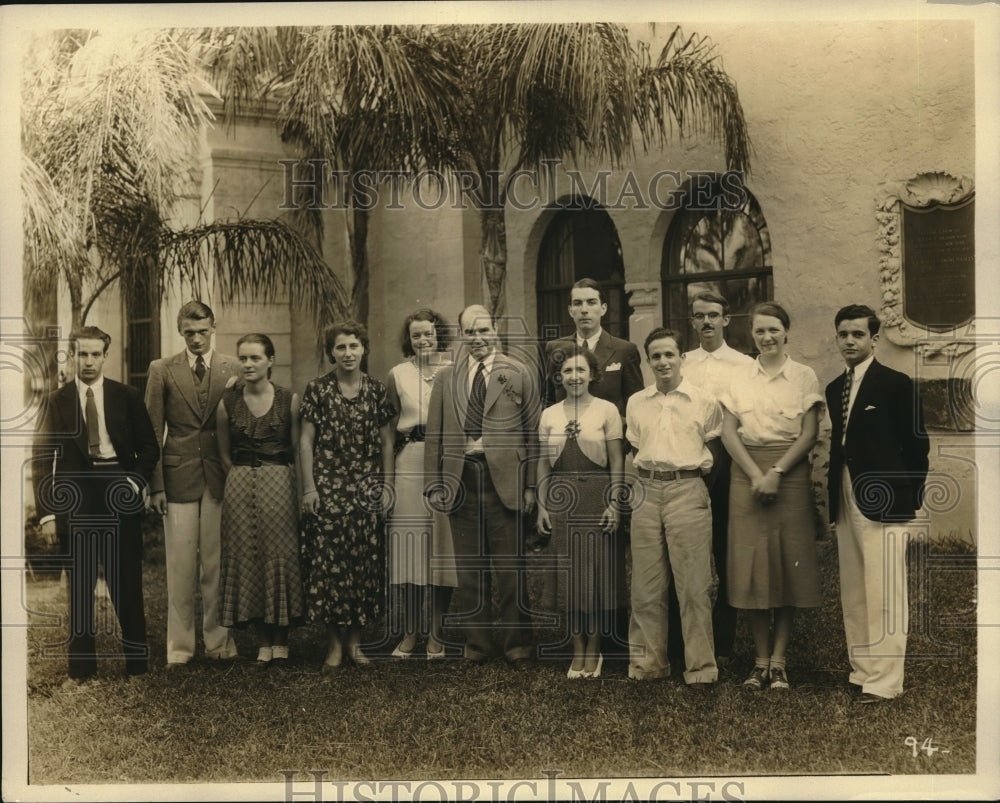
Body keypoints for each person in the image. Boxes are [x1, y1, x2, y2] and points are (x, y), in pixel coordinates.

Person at [33, 326, 159, 686]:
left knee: (127, 582)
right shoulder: (57, 401)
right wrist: (47, 512)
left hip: (118, 492)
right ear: (72, 355)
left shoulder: (126, 396)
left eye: (94, 354)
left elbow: (149, 449)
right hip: (76, 499)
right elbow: (42, 457)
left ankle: (137, 666)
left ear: (106, 356)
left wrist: (134, 482)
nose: (88, 361)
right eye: (81, 354)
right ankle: (82, 671)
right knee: (81, 584)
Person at [424, 304, 540, 666]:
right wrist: (433, 483)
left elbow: (532, 433)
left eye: (483, 330)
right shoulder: (447, 378)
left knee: (510, 570)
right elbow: (434, 436)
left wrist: (531, 486)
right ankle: (477, 644)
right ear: (461, 336)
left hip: (504, 481)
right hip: (462, 480)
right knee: (470, 569)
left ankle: (517, 644)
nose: (477, 338)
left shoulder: (518, 372)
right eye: (469, 332)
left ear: (495, 330)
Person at [825, 304, 928, 704]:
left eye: (857, 334)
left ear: (874, 338)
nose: (849, 341)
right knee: (854, 587)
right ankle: (863, 670)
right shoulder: (836, 388)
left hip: (886, 500)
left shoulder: (896, 384)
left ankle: (885, 682)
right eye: (843, 335)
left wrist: (909, 500)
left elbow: (918, 447)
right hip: (846, 494)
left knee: (884, 590)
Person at [721, 301, 823, 691]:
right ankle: (758, 661)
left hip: (790, 474)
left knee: (785, 565)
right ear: (752, 334)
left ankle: (779, 661)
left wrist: (777, 473)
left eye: (773, 330)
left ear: (786, 332)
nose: (767, 337)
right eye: (760, 331)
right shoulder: (739, 376)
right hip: (746, 473)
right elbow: (729, 433)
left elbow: (809, 433)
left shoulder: (803, 375)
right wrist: (755, 474)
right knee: (753, 566)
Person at [542, 277, 644, 661]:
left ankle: (610, 640)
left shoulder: (624, 349)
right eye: (577, 303)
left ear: (603, 308)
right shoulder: (556, 351)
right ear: (570, 310)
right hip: (567, 462)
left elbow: (634, 409)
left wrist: (616, 468)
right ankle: (579, 642)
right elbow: (550, 399)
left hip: (608, 465)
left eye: (591, 303)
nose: (584, 309)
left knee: (605, 558)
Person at [145, 301, 240, 668]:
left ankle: (219, 644)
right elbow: (153, 430)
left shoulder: (232, 367)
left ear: (213, 327)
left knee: (216, 565)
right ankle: (180, 648)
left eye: (202, 331)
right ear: (180, 330)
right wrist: (155, 486)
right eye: (189, 333)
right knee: (181, 566)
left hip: (220, 476)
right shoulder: (162, 369)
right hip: (177, 475)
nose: (196, 339)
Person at [625, 328, 720, 688]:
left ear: (682, 358)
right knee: (645, 586)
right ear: (648, 362)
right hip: (646, 490)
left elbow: (716, 453)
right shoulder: (637, 402)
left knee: (693, 585)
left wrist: (691, 487)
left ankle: (700, 667)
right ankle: (649, 663)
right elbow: (635, 447)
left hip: (688, 489)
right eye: (656, 356)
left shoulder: (703, 400)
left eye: (669, 354)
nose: (663, 362)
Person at [299, 321, 395, 671]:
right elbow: (306, 441)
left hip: (366, 487)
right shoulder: (317, 390)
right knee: (329, 566)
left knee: (361, 564)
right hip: (328, 486)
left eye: (354, 346)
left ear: (364, 349)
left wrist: (387, 484)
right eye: (340, 347)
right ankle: (334, 646)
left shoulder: (376, 390)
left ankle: (355, 644)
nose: (348, 353)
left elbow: (387, 442)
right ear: (331, 353)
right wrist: (309, 487)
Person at [668, 291, 754, 665]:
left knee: (724, 546)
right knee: (686, 544)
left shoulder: (743, 364)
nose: (706, 322)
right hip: (686, 457)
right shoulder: (681, 361)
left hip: (727, 455)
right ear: (692, 321)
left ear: (726, 319)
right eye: (699, 316)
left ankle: (724, 640)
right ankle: (680, 638)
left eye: (713, 315)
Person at [216, 334, 304, 667]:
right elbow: (224, 454)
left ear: (271, 360)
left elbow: (295, 449)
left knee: (279, 556)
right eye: (244, 358)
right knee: (247, 557)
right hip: (239, 483)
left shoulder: (288, 400)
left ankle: (281, 640)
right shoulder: (228, 402)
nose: (249, 364)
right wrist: (242, 477)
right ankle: (262, 642)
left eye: (255, 358)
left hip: (279, 480)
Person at [536, 348, 624, 678]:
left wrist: (615, 503)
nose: (574, 376)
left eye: (580, 370)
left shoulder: (607, 410)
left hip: (597, 496)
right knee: (571, 577)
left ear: (592, 374)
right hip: (563, 498)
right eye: (567, 371)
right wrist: (542, 506)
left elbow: (617, 460)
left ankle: (594, 648)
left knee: (596, 575)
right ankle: (576, 648)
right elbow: (543, 465)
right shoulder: (549, 415)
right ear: (559, 377)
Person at [385, 309, 457, 660]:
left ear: (438, 334)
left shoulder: (453, 370)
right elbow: (387, 432)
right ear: (408, 339)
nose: (423, 340)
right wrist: (386, 479)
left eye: (428, 333)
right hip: (410, 459)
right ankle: (411, 631)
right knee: (410, 547)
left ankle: (437, 633)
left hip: (445, 460)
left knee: (442, 549)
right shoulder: (398, 374)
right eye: (416, 335)